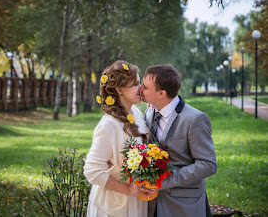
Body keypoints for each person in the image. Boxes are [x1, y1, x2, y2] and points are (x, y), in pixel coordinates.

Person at [139, 64, 217, 217]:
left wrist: (163, 181)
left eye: (145, 87)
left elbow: (208, 165)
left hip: (183, 205)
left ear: (161, 93)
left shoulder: (195, 119)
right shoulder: (149, 112)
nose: (140, 89)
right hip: (150, 204)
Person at [84, 60, 154, 217]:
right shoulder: (108, 125)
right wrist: (128, 189)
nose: (141, 88)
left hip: (137, 201)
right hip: (112, 207)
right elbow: (92, 171)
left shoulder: (135, 112)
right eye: (135, 84)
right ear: (119, 89)